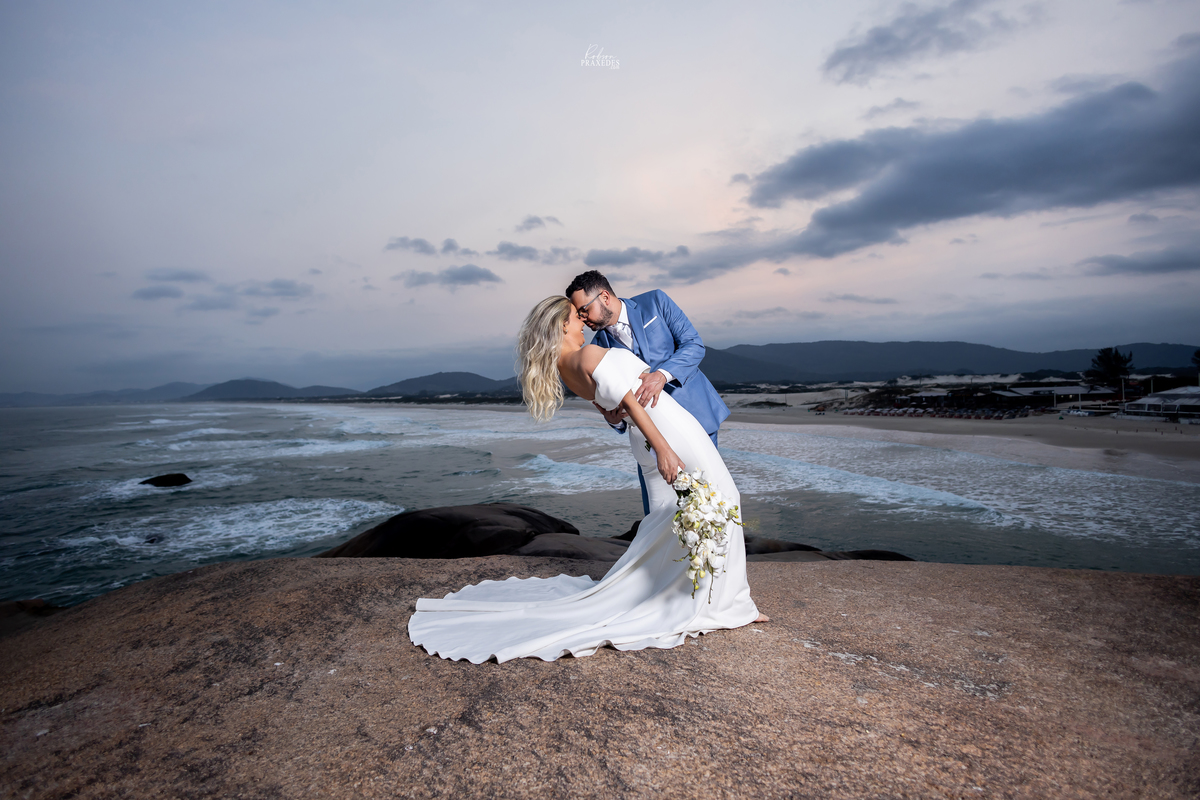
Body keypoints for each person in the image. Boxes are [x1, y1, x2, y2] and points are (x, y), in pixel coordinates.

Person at [407, 296, 765, 664]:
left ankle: (688, 593)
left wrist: (633, 430)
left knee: (669, 515)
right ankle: (728, 603)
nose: (582, 321)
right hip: (668, 432)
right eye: (575, 317)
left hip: (644, 438)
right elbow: (631, 403)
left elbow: (614, 412)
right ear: (562, 325)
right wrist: (664, 450)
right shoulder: (589, 354)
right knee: (723, 498)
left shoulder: (566, 370)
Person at [566, 270, 729, 515]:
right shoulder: (597, 347)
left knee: (707, 500)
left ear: (605, 297)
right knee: (659, 511)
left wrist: (662, 375)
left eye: (584, 309)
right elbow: (615, 403)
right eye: (578, 314)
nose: (583, 318)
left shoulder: (655, 301)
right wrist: (614, 421)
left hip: (695, 417)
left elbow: (694, 345)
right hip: (649, 440)